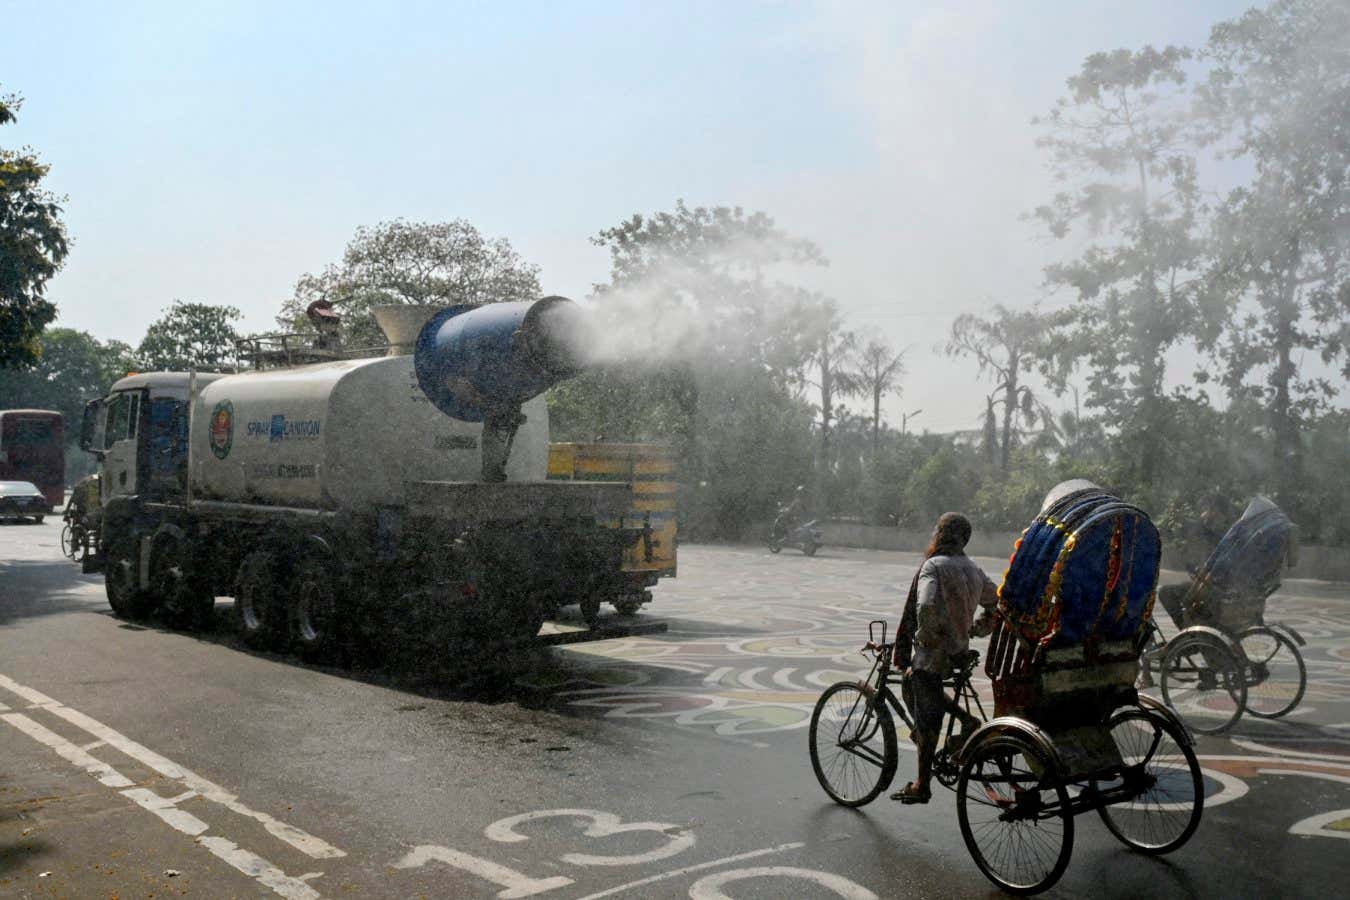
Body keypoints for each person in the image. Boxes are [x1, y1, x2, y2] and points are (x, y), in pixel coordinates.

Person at [891, 512, 998, 804]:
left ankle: (922, 784)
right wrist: (978, 628)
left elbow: (924, 607)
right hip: (959, 652)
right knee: (914, 686)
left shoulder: (933, 566)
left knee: (927, 720)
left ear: (939, 535)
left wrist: (923, 639)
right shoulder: (973, 569)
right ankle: (966, 720)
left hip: (934, 655)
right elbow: (996, 604)